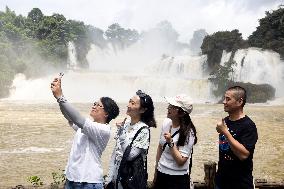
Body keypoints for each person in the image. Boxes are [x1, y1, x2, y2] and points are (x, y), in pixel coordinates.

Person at [50, 76, 119, 189]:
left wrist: (60, 97)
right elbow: (70, 117)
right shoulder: (88, 127)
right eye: (94, 103)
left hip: (89, 182)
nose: (94, 106)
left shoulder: (103, 130)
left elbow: (78, 119)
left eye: (98, 105)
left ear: (106, 113)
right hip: (72, 179)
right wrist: (58, 98)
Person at [105, 90, 157, 189]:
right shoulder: (125, 124)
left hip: (130, 180)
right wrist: (109, 177)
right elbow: (116, 153)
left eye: (133, 103)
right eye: (129, 101)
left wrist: (121, 133)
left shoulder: (143, 130)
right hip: (117, 178)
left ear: (142, 110)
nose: (128, 105)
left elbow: (129, 156)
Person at [215, 86, 258, 189]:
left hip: (240, 183)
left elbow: (243, 155)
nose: (224, 102)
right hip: (221, 181)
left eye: (228, 99)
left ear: (239, 102)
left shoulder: (249, 126)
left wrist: (225, 132)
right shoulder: (225, 121)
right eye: (224, 98)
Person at [153, 94, 197, 189]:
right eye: (169, 105)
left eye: (172, 107)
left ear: (181, 112)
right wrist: (156, 169)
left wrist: (170, 142)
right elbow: (160, 147)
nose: (168, 108)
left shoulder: (189, 133)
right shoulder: (166, 123)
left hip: (177, 179)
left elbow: (181, 161)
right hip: (161, 173)